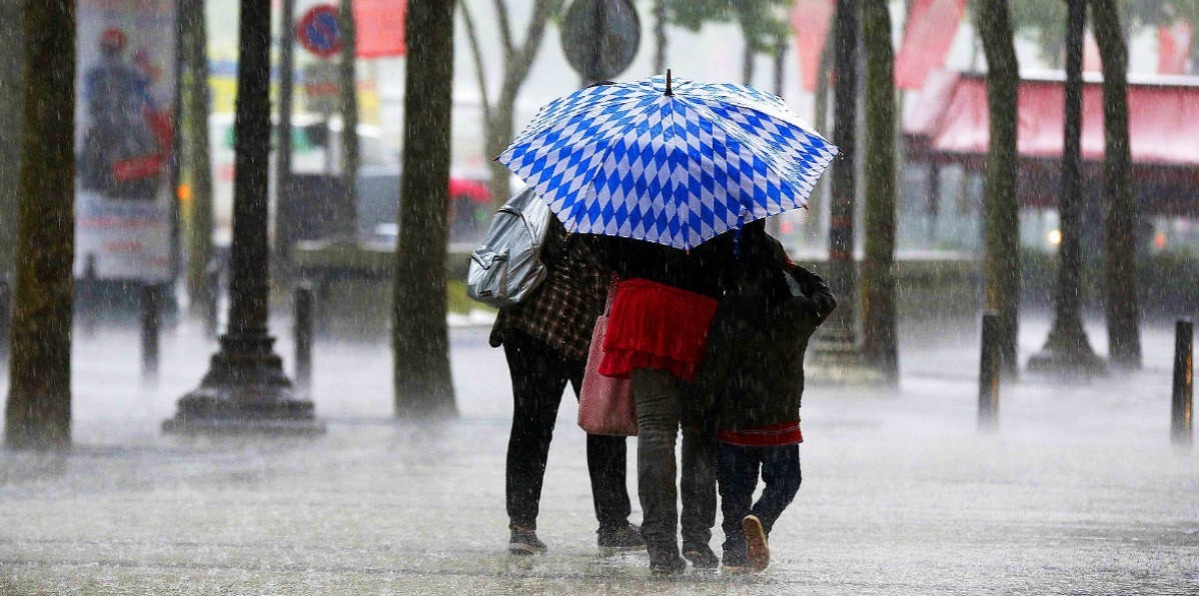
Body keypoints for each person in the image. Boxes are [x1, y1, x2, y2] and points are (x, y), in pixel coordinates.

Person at [490, 217, 644, 556]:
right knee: (603, 423)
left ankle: (523, 526)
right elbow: (605, 279)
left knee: (532, 425)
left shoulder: (559, 195)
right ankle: (612, 523)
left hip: (528, 320)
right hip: (568, 326)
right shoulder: (615, 216)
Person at [590, 232, 740, 574]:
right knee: (700, 433)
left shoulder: (629, 186)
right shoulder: (726, 188)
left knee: (655, 429)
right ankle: (697, 538)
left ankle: (660, 545)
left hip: (641, 305)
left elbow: (606, 249)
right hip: (700, 311)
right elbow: (739, 258)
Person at [696, 221, 835, 572]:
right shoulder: (797, 312)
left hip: (734, 417)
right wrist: (794, 269)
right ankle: (761, 519)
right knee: (787, 480)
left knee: (734, 489)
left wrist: (706, 407)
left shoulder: (728, 311)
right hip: (780, 417)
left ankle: (734, 553)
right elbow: (826, 298)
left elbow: (713, 365)